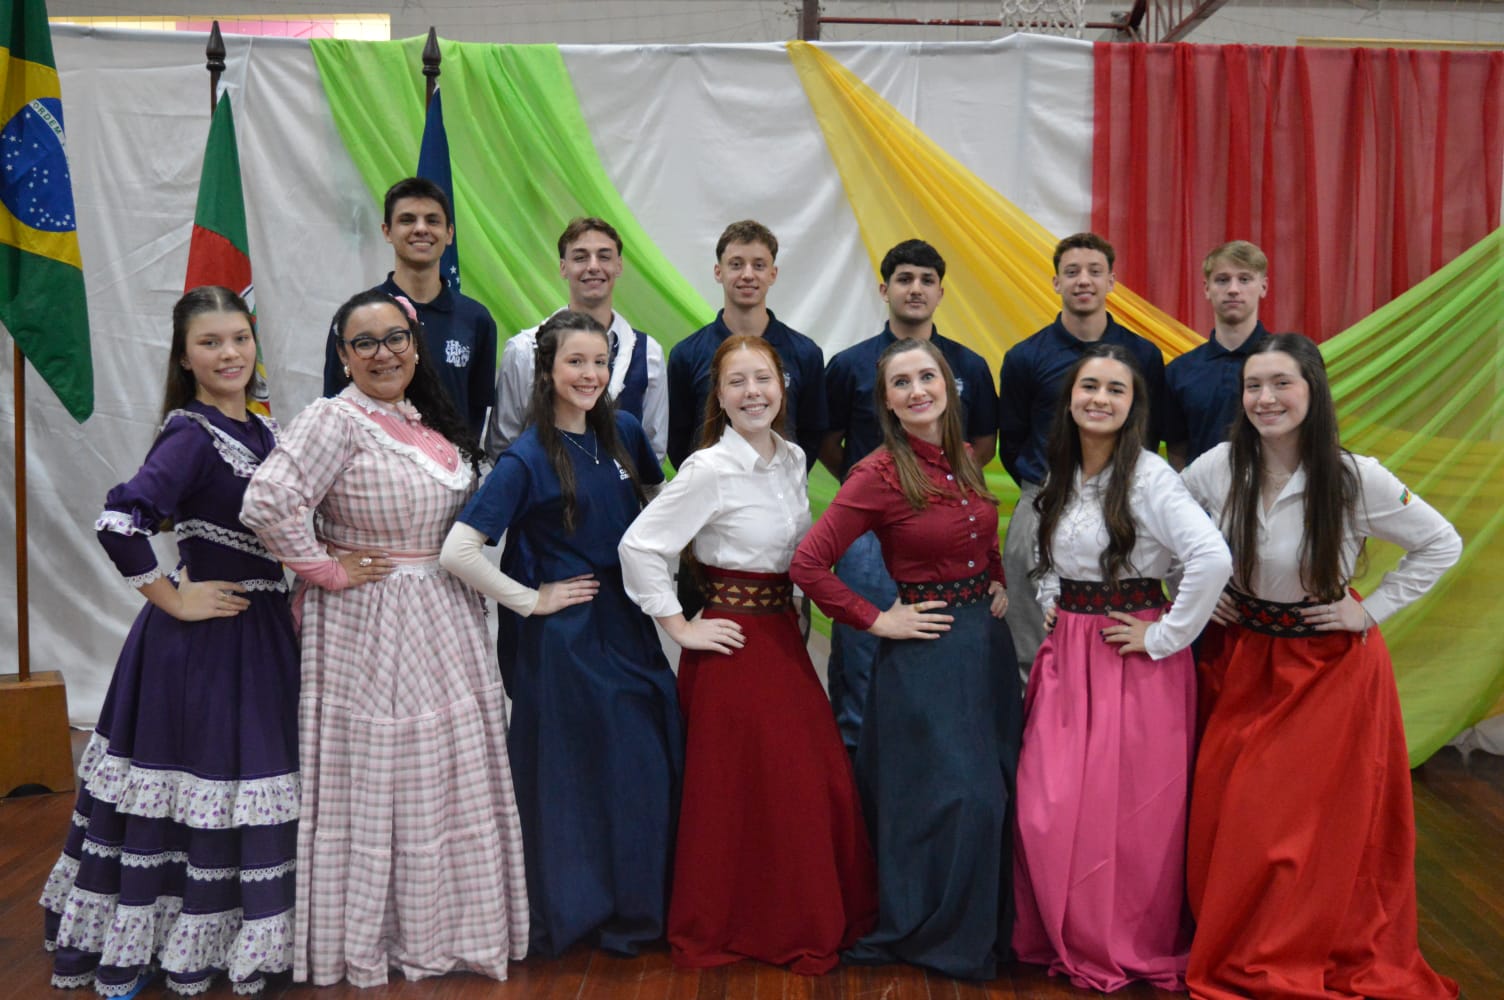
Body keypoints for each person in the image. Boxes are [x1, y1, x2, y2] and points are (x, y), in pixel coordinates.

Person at [243, 290, 527, 987]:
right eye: (364, 343)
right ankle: (384, 931)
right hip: (373, 624)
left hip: (443, 614)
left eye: (395, 338)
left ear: (415, 345)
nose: (383, 353)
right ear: (343, 356)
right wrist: (324, 569)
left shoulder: (422, 419)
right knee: (387, 775)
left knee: (445, 773)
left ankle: (451, 925)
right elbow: (267, 501)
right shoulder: (334, 419)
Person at [1181, 333, 1461, 1000]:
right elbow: (1162, 528)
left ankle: (1284, 947)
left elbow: (1440, 542)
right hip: (1241, 659)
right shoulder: (1218, 466)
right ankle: (1235, 939)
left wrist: (1371, 611)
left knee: (1291, 825)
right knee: (1229, 810)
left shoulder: (1354, 476)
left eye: (1282, 383)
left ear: (1313, 390)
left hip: (1325, 667)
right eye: (1254, 385)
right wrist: (1195, 593)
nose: (1266, 398)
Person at [40, 287, 299, 997]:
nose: (229, 353)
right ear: (185, 358)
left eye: (239, 338)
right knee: (198, 787)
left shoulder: (263, 430)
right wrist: (176, 598)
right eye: (210, 342)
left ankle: (246, 933)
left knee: (245, 788)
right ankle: (162, 940)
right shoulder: (190, 433)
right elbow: (119, 523)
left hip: (264, 636)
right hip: (206, 647)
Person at [619, 335, 876, 975]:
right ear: (720, 395)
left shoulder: (793, 458)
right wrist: (680, 627)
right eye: (736, 382)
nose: (752, 393)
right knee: (740, 790)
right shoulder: (708, 469)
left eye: (762, 378)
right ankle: (739, 922)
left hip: (781, 634)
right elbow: (640, 546)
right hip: (732, 646)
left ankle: (804, 913)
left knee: (805, 782)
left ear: (782, 386)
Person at [440, 311, 681, 958]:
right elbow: (458, 551)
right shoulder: (526, 457)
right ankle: (579, 914)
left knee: (643, 766)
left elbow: (661, 503)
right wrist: (532, 600)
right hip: (567, 642)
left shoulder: (624, 431)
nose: (590, 374)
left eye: (600, 362)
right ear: (546, 370)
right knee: (575, 780)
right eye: (576, 362)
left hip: (628, 625)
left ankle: (645, 910)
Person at [793, 337, 1020, 981]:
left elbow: (981, 532)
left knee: (998, 788)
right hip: (926, 654)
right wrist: (878, 619)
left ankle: (985, 931)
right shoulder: (878, 473)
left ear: (948, 386)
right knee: (958, 798)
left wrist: (996, 578)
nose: (917, 390)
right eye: (902, 383)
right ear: (887, 403)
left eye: (927, 377)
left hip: (985, 646)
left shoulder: (964, 458)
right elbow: (808, 564)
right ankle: (938, 933)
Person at [1011, 343, 1231, 992]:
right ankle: (1061, 928)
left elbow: (1210, 558)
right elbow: (1051, 555)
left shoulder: (1149, 477)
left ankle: (1117, 937)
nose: (1100, 399)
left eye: (1116, 389)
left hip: (1130, 657)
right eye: (1089, 386)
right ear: (1070, 399)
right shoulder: (1063, 470)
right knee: (1047, 803)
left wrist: (1166, 635)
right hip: (1069, 653)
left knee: (1128, 814)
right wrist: (1053, 604)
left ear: (1135, 407)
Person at [818, 238, 999, 754]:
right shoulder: (850, 365)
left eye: (926, 280)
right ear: (885, 289)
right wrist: (880, 492)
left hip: (944, 533)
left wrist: (938, 493)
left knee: (940, 650)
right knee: (864, 652)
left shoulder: (969, 365)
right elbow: (829, 441)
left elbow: (982, 444)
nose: (915, 289)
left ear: (941, 292)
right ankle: (860, 770)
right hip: (868, 539)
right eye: (904, 279)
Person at [997, 233, 1167, 680]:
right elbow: (1012, 442)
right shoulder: (1024, 357)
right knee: (1031, 639)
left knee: (1115, 630)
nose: (1083, 281)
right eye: (1072, 272)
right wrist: (1051, 489)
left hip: (1123, 503)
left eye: (1095, 271)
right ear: (1056, 282)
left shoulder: (1143, 356)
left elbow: (1149, 434)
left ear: (1112, 281)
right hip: (1042, 500)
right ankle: (1036, 716)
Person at [321, 177, 498, 437]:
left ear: (449, 233)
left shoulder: (476, 319)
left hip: (453, 460)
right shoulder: (356, 319)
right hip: (373, 459)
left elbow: (475, 411)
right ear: (387, 231)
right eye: (407, 220)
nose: (421, 229)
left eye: (432, 221)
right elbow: (334, 403)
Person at [485, 216, 668, 462]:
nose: (593, 266)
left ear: (619, 266)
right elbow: (503, 446)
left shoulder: (648, 353)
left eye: (604, 256)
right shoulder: (525, 350)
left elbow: (652, 451)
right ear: (563, 267)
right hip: (545, 485)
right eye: (580, 257)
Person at [666, 220, 826, 470]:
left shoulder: (806, 353)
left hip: (782, 486)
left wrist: (782, 477)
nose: (748, 275)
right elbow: (677, 439)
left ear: (773, 274)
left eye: (759, 265)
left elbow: (812, 433)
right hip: (711, 489)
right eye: (736, 264)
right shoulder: (686, 355)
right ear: (718, 272)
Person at [1164, 241, 1273, 470]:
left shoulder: (1291, 362)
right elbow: (1177, 450)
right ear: (1206, 288)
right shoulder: (1179, 371)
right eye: (1222, 280)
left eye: (1244, 279)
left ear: (1263, 287)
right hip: (1199, 492)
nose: (1233, 289)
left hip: (1277, 491)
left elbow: (1314, 433)